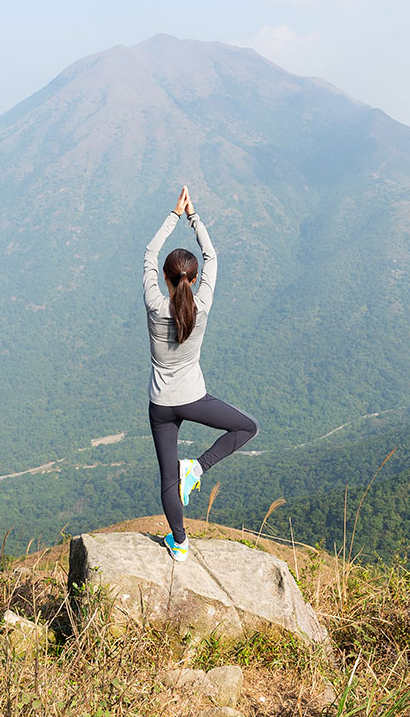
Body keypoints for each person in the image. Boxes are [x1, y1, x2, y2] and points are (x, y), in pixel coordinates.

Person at [143, 186, 259, 562]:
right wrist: (193, 216)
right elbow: (212, 255)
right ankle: (198, 468)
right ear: (192, 281)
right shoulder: (202, 306)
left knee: (166, 479)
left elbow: (149, 253)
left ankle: (179, 542)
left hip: (160, 404)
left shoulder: (153, 304)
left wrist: (173, 215)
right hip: (194, 399)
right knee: (247, 427)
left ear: (164, 277)